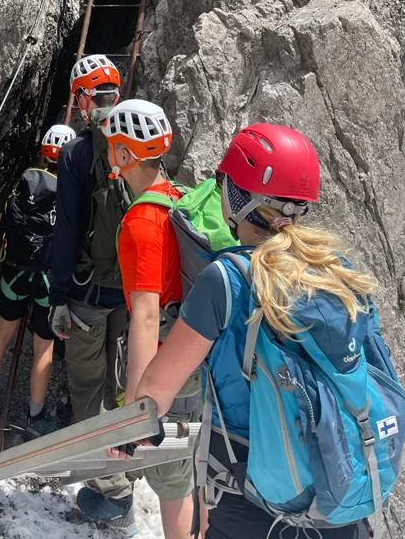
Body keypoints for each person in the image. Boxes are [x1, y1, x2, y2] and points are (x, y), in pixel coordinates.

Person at [120, 123, 379, 539]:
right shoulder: (340, 274)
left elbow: (155, 391)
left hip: (252, 504)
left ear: (237, 198)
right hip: (339, 493)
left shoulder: (228, 278)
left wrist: (130, 431)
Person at [102, 99, 202, 539]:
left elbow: (144, 316)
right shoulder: (180, 198)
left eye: (112, 145)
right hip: (196, 357)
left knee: (172, 484)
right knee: (190, 473)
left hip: (167, 370)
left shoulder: (142, 220)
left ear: (124, 155)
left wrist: (136, 410)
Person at [48, 54, 134, 528]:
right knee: (117, 380)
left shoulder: (78, 153)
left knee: (86, 386)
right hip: (128, 290)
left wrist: (59, 295)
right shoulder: (134, 142)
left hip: (86, 292)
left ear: (83, 97)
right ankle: (126, 462)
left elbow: (67, 231)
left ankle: (114, 492)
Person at [0, 123, 75, 438]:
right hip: (46, 281)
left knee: (2, 334)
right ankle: (35, 418)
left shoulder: (27, 180)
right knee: (43, 348)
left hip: (14, 271)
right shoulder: (68, 191)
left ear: (44, 153)